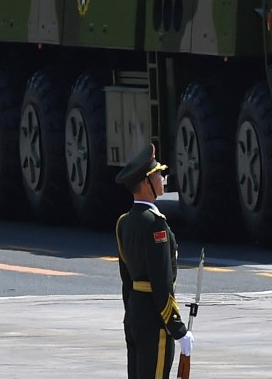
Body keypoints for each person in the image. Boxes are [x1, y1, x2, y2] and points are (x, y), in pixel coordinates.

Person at [115, 144, 194, 379]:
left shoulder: (124, 222)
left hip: (135, 314)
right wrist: (177, 328)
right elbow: (162, 282)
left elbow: (126, 280)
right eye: (157, 174)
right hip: (154, 316)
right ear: (145, 183)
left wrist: (131, 314)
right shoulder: (155, 224)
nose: (162, 178)